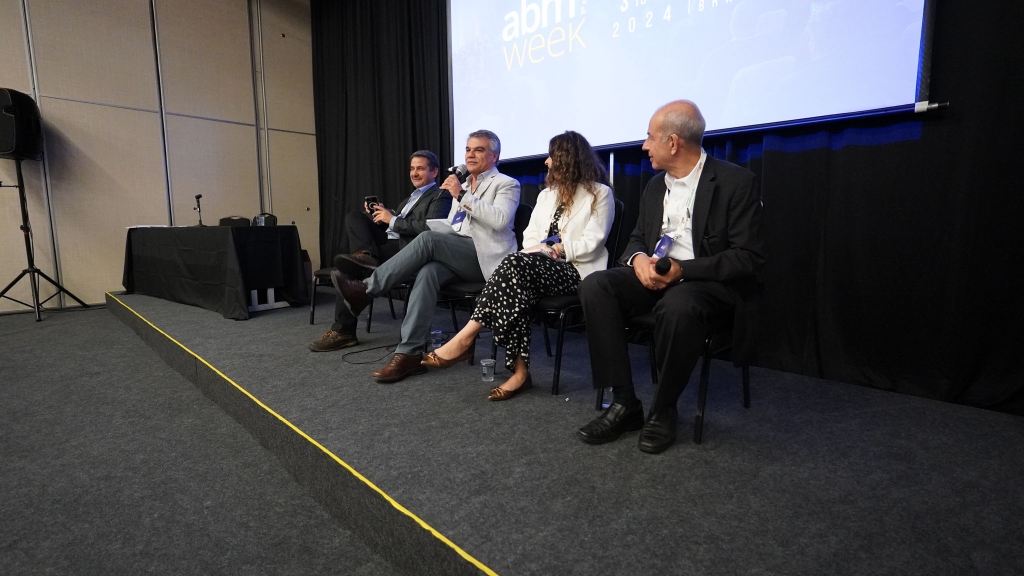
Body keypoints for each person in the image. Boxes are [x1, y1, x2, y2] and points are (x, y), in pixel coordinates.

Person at [575, 100, 764, 454]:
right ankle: (625, 403)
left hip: (706, 284)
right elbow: (636, 239)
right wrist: (639, 260)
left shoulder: (735, 182)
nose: (644, 145)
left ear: (673, 142)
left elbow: (746, 258)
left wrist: (683, 270)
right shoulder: (654, 186)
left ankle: (663, 410)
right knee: (596, 285)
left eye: (650, 137)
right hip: (657, 275)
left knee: (677, 307)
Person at [421, 131, 615, 401]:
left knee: (513, 266)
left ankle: (468, 339)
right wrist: (542, 250)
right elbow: (530, 237)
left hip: (575, 269)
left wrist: (558, 249)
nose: (547, 162)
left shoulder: (600, 193)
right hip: (537, 264)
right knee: (516, 283)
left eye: (552, 156)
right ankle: (519, 373)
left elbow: (593, 242)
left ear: (568, 159)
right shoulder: (547, 195)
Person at [330, 130, 521, 382]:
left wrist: (461, 196)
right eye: (468, 149)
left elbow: (500, 220)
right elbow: (457, 225)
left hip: (488, 258)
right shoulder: (463, 185)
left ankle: (366, 290)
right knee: (428, 272)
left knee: (428, 239)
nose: (470, 155)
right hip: (460, 253)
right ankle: (409, 353)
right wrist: (449, 220)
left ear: (494, 156)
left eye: (479, 150)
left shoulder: (506, 183)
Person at [308, 150, 452, 352]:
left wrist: (392, 219)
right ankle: (366, 256)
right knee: (354, 217)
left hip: (411, 251)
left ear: (434, 172)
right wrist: (383, 217)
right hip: (390, 244)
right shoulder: (408, 199)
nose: (414, 173)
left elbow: (430, 230)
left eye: (420, 168)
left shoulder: (440, 196)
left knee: (348, 269)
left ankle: (344, 332)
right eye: (412, 168)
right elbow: (394, 228)